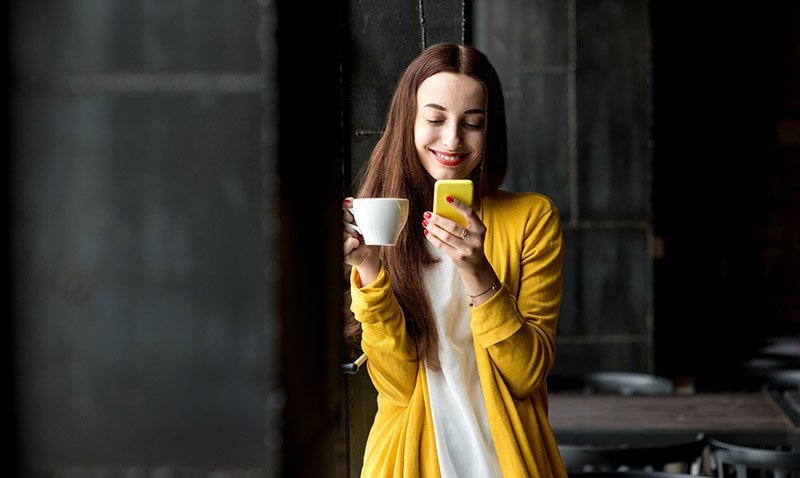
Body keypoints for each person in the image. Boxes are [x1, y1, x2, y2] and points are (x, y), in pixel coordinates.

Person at [342, 43, 565, 477]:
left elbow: (527, 374)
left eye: (472, 123)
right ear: (408, 121)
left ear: (490, 131)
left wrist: (477, 272)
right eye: (435, 118)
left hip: (508, 460)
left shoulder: (531, 218)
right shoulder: (381, 223)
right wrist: (368, 268)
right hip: (410, 459)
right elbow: (397, 386)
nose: (452, 139)